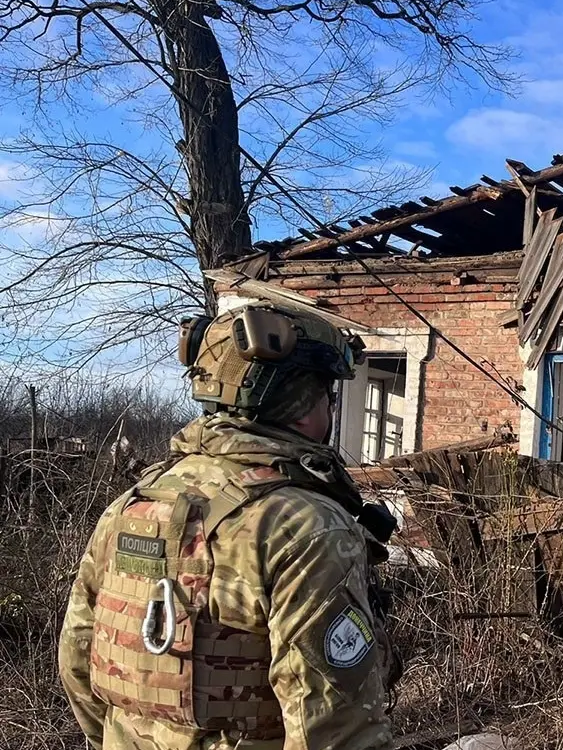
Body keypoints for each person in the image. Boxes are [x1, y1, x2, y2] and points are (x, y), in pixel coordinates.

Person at [58, 301, 401, 749]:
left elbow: (77, 661)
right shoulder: (303, 525)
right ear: (303, 402)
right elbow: (334, 729)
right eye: (327, 394)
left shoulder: (133, 503)